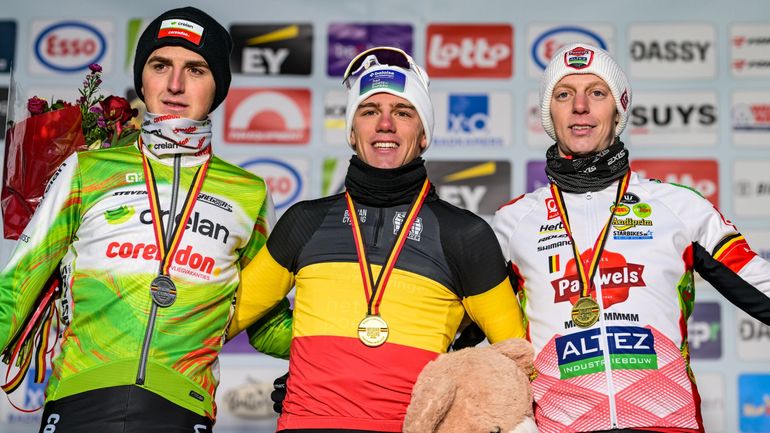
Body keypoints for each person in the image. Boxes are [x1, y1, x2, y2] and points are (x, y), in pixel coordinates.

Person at [0, 7, 291, 432]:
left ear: (218, 87)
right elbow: (16, 288)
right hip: (80, 398)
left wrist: (352, 344)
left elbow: (265, 321)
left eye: (195, 70)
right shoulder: (87, 169)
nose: (175, 84)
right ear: (142, 79)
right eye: (160, 65)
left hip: (181, 405)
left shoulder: (249, 193)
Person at [227, 46, 526, 432]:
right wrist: (314, 362)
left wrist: (463, 397)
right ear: (352, 133)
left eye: (403, 112)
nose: (385, 124)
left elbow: (518, 361)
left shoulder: (465, 235)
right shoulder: (305, 221)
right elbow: (219, 319)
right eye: (369, 111)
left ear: (423, 135)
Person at [491, 43, 770, 433]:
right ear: (549, 113)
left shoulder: (678, 206)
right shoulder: (513, 222)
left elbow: (759, 285)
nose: (580, 106)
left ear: (618, 109)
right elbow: (457, 330)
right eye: (564, 94)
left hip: (666, 424)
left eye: (597, 92)